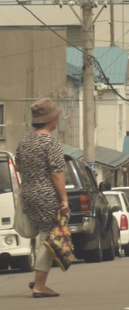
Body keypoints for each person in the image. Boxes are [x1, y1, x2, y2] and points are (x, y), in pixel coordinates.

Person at [14, 98, 69, 298]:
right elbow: (56, 173)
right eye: (56, 116)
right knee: (50, 238)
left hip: (28, 193)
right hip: (47, 195)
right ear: (50, 119)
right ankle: (40, 286)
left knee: (42, 237)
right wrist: (64, 198)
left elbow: (18, 166)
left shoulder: (25, 140)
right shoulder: (51, 142)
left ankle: (38, 278)